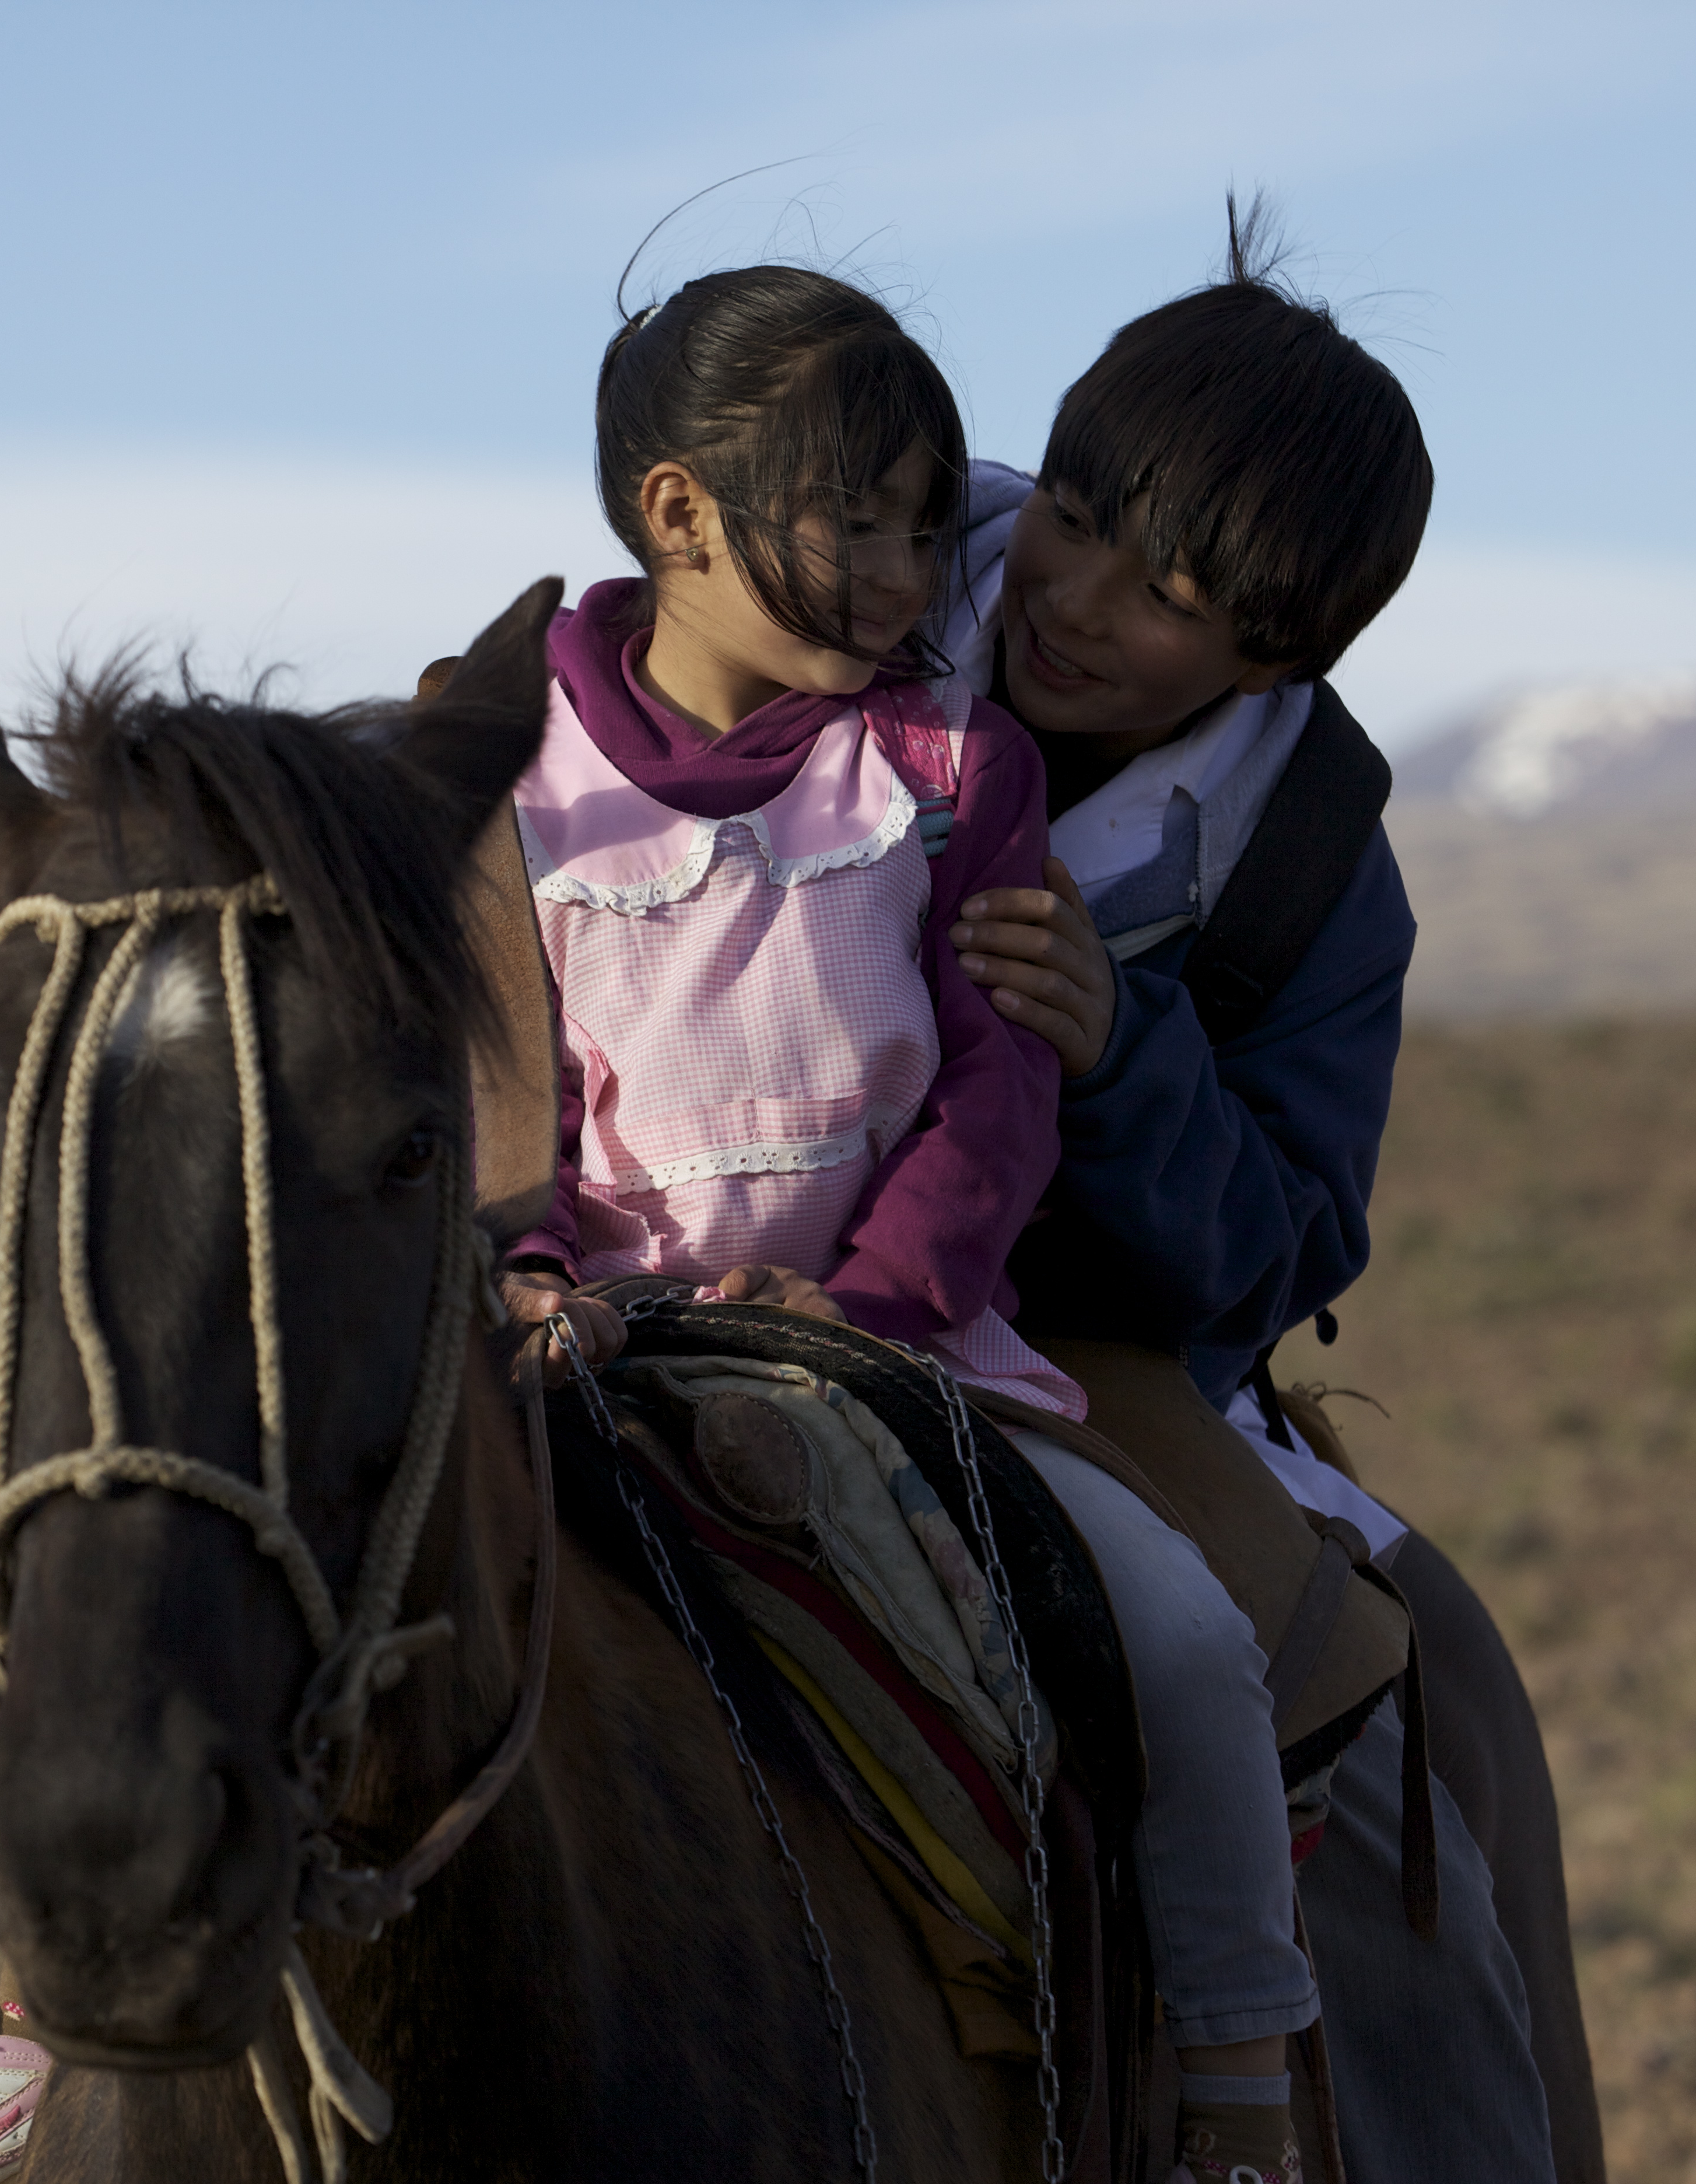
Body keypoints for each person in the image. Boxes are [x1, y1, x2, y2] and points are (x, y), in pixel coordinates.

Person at [497, 261, 1327, 2184]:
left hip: (903, 1354)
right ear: (677, 511)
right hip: (586, 1352)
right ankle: (49, 2050)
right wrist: (534, 1274)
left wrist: (883, 1302)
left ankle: (1231, 2093)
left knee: (1191, 1645)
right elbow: (499, 1084)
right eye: (848, 519)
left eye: (916, 518)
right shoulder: (514, 790)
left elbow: (994, 1083)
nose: (902, 573)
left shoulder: (953, 769)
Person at [940, 203, 1591, 2182]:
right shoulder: (854, 564)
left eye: (1170, 592)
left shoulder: (1311, 869)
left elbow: (1286, 1248)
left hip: (1066, 1355)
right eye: (1071, 512)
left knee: (1401, 1694)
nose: (1072, 597)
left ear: (1271, 652)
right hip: (652, 1256)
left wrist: (1118, 1065)